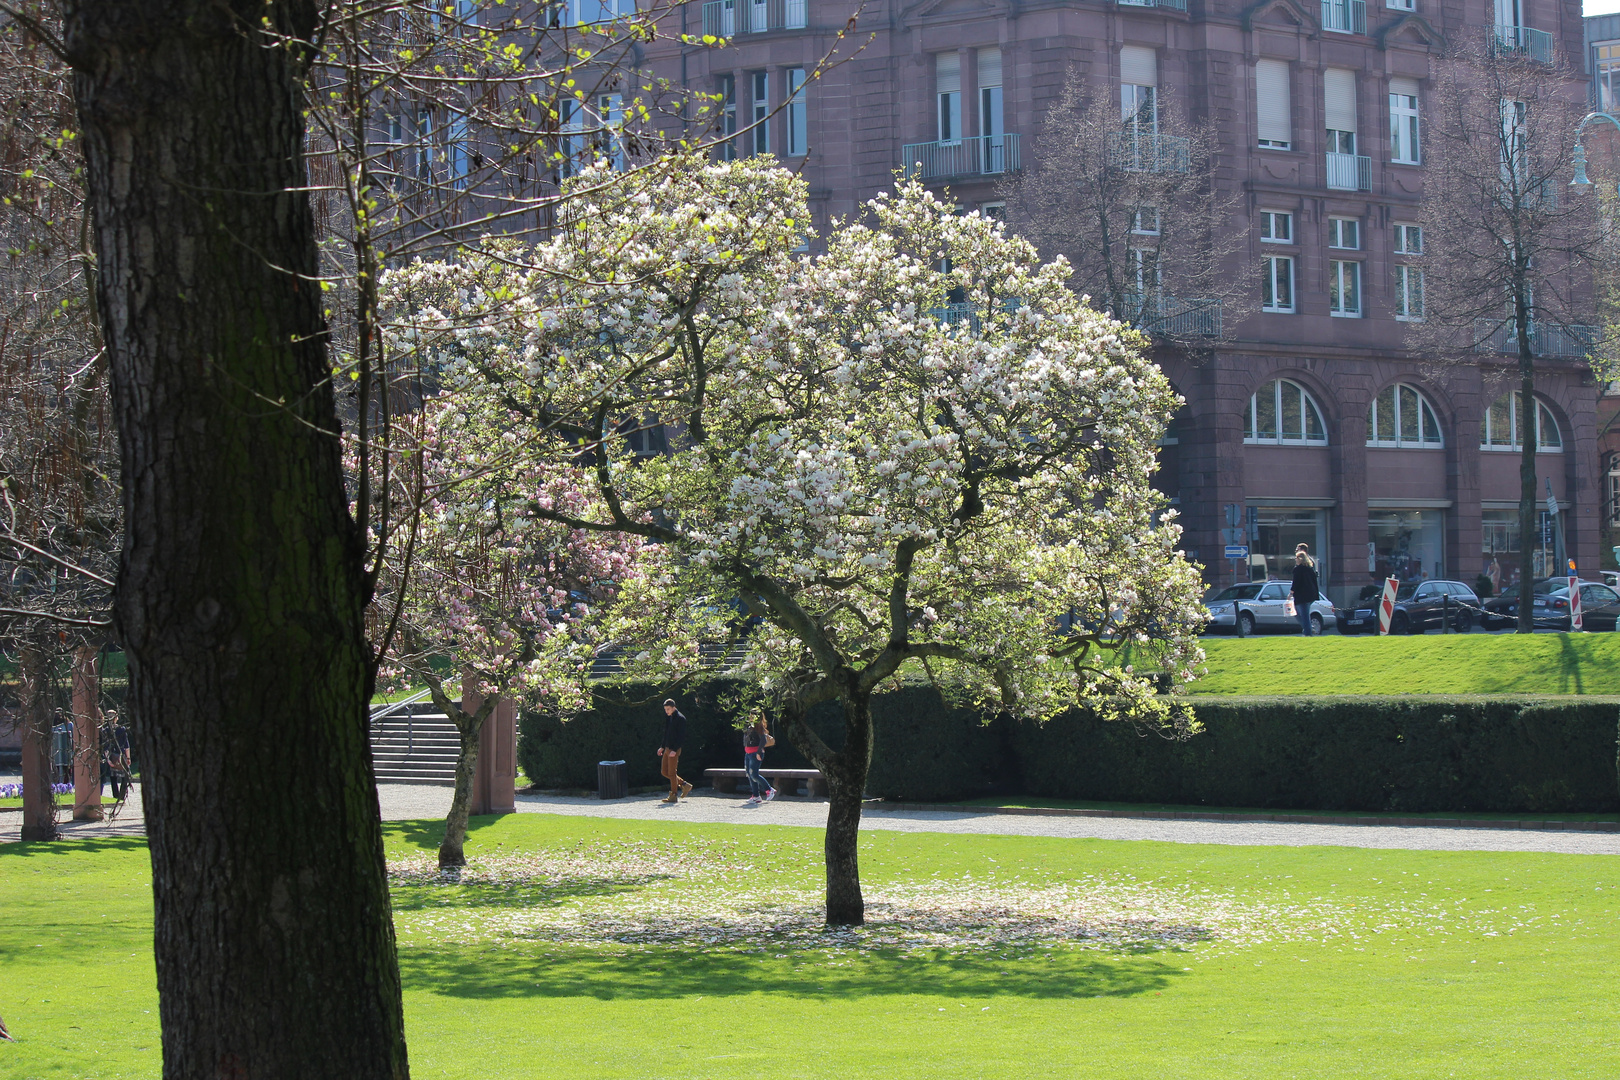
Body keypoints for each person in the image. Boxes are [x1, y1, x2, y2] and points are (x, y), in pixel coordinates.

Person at [657, 698, 692, 803]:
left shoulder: (681, 719)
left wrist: (675, 749)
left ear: (674, 708)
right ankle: (684, 785)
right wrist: (662, 746)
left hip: (674, 749)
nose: (666, 711)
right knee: (664, 771)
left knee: (672, 773)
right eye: (665, 709)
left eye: (668, 709)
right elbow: (666, 733)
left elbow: (681, 737)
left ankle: (673, 795)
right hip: (667, 747)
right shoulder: (669, 717)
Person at [741, 710, 776, 805]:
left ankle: (769, 789)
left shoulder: (759, 727)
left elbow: (763, 740)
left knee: (754, 775)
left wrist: (758, 752)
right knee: (749, 774)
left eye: (752, 714)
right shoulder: (749, 726)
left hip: (755, 753)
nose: (750, 716)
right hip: (748, 753)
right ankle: (756, 796)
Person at [101, 711, 132, 801]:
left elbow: (105, 747)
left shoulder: (105, 730)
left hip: (112, 756)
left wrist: (108, 759)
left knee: (113, 777)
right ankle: (122, 795)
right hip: (121, 755)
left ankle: (115, 795)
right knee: (125, 776)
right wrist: (128, 758)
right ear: (116, 718)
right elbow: (127, 746)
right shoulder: (122, 729)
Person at [1290, 545, 1320, 636]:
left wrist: (1291, 592)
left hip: (1302, 596)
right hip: (1310, 595)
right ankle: (1309, 629)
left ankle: (1308, 632)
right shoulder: (1310, 568)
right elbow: (1314, 581)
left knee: (1303, 615)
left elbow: (1296, 582)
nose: (1295, 559)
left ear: (1300, 559)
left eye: (1296, 558)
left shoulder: (1298, 569)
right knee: (1299, 613)